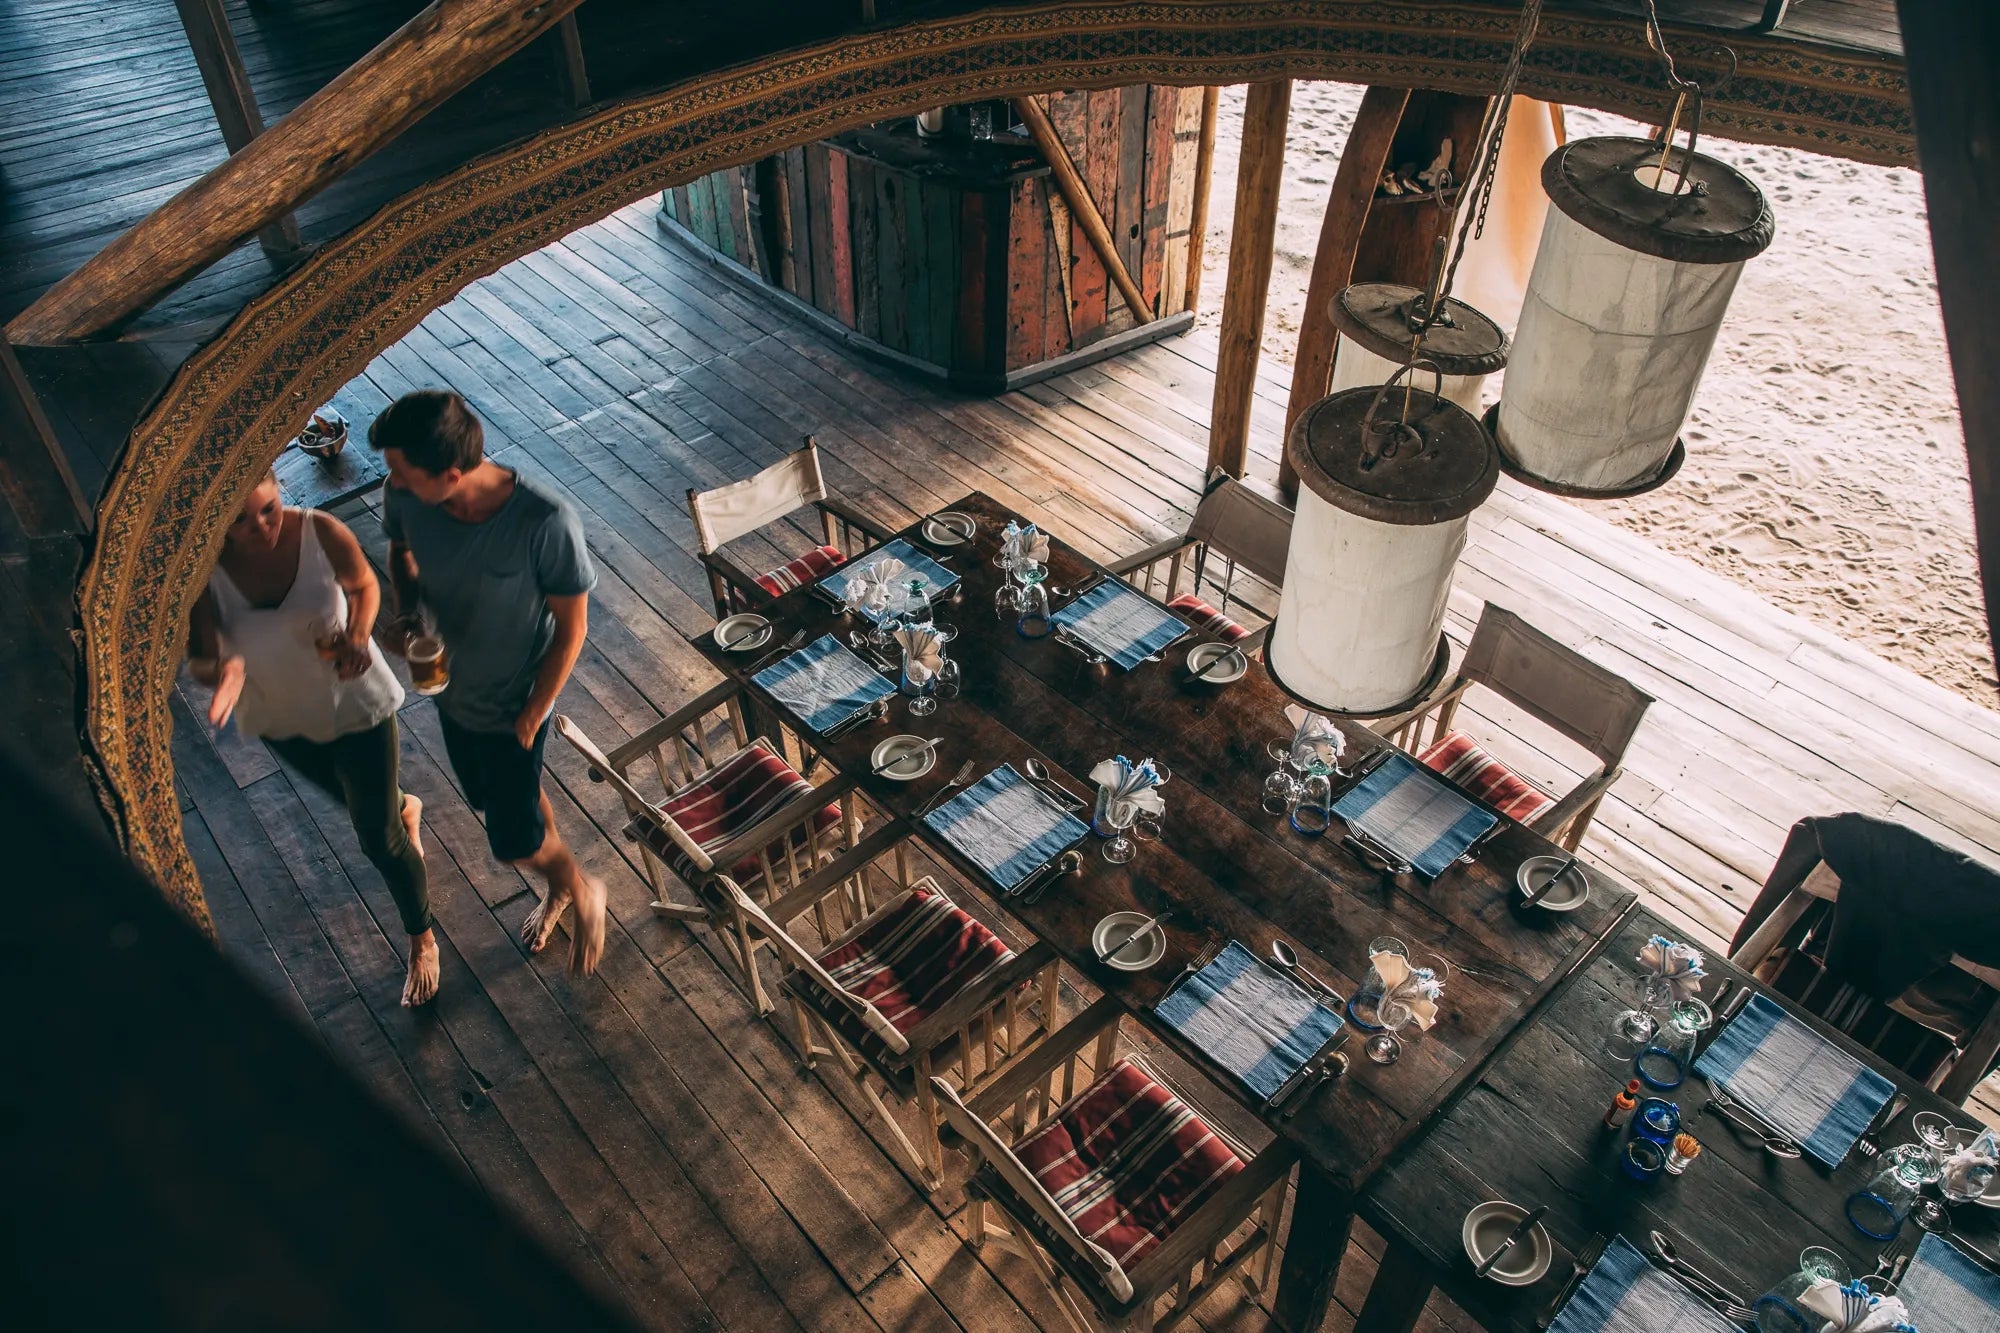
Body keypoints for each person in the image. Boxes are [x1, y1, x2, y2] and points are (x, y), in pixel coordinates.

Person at [368, 390, 605, 977]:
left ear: (450, 474)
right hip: (452, 693)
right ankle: (559, 881)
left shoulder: (545, 522)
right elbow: (400, 550)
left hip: (513, 705)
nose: (390, 480)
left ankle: (580, 888)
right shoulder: (406, 494)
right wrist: (405, 611)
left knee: (513, 842)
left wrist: (532, 713)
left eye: (400, 469)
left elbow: (573, 629)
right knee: (500, 800)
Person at [188, 470, 439, 1007]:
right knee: (362, 802)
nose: (260, 527)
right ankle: (403, 804)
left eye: (268, 509)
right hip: (282, 717)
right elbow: (207, 658)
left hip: (355, 703)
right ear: (218, 525)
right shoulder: (204, 576)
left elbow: (364, 586)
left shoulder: (320, 530)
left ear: (280, 491)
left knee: (378, 839)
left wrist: (357, 631)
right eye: (240, 520)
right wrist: (224, 674)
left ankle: (422, 936)